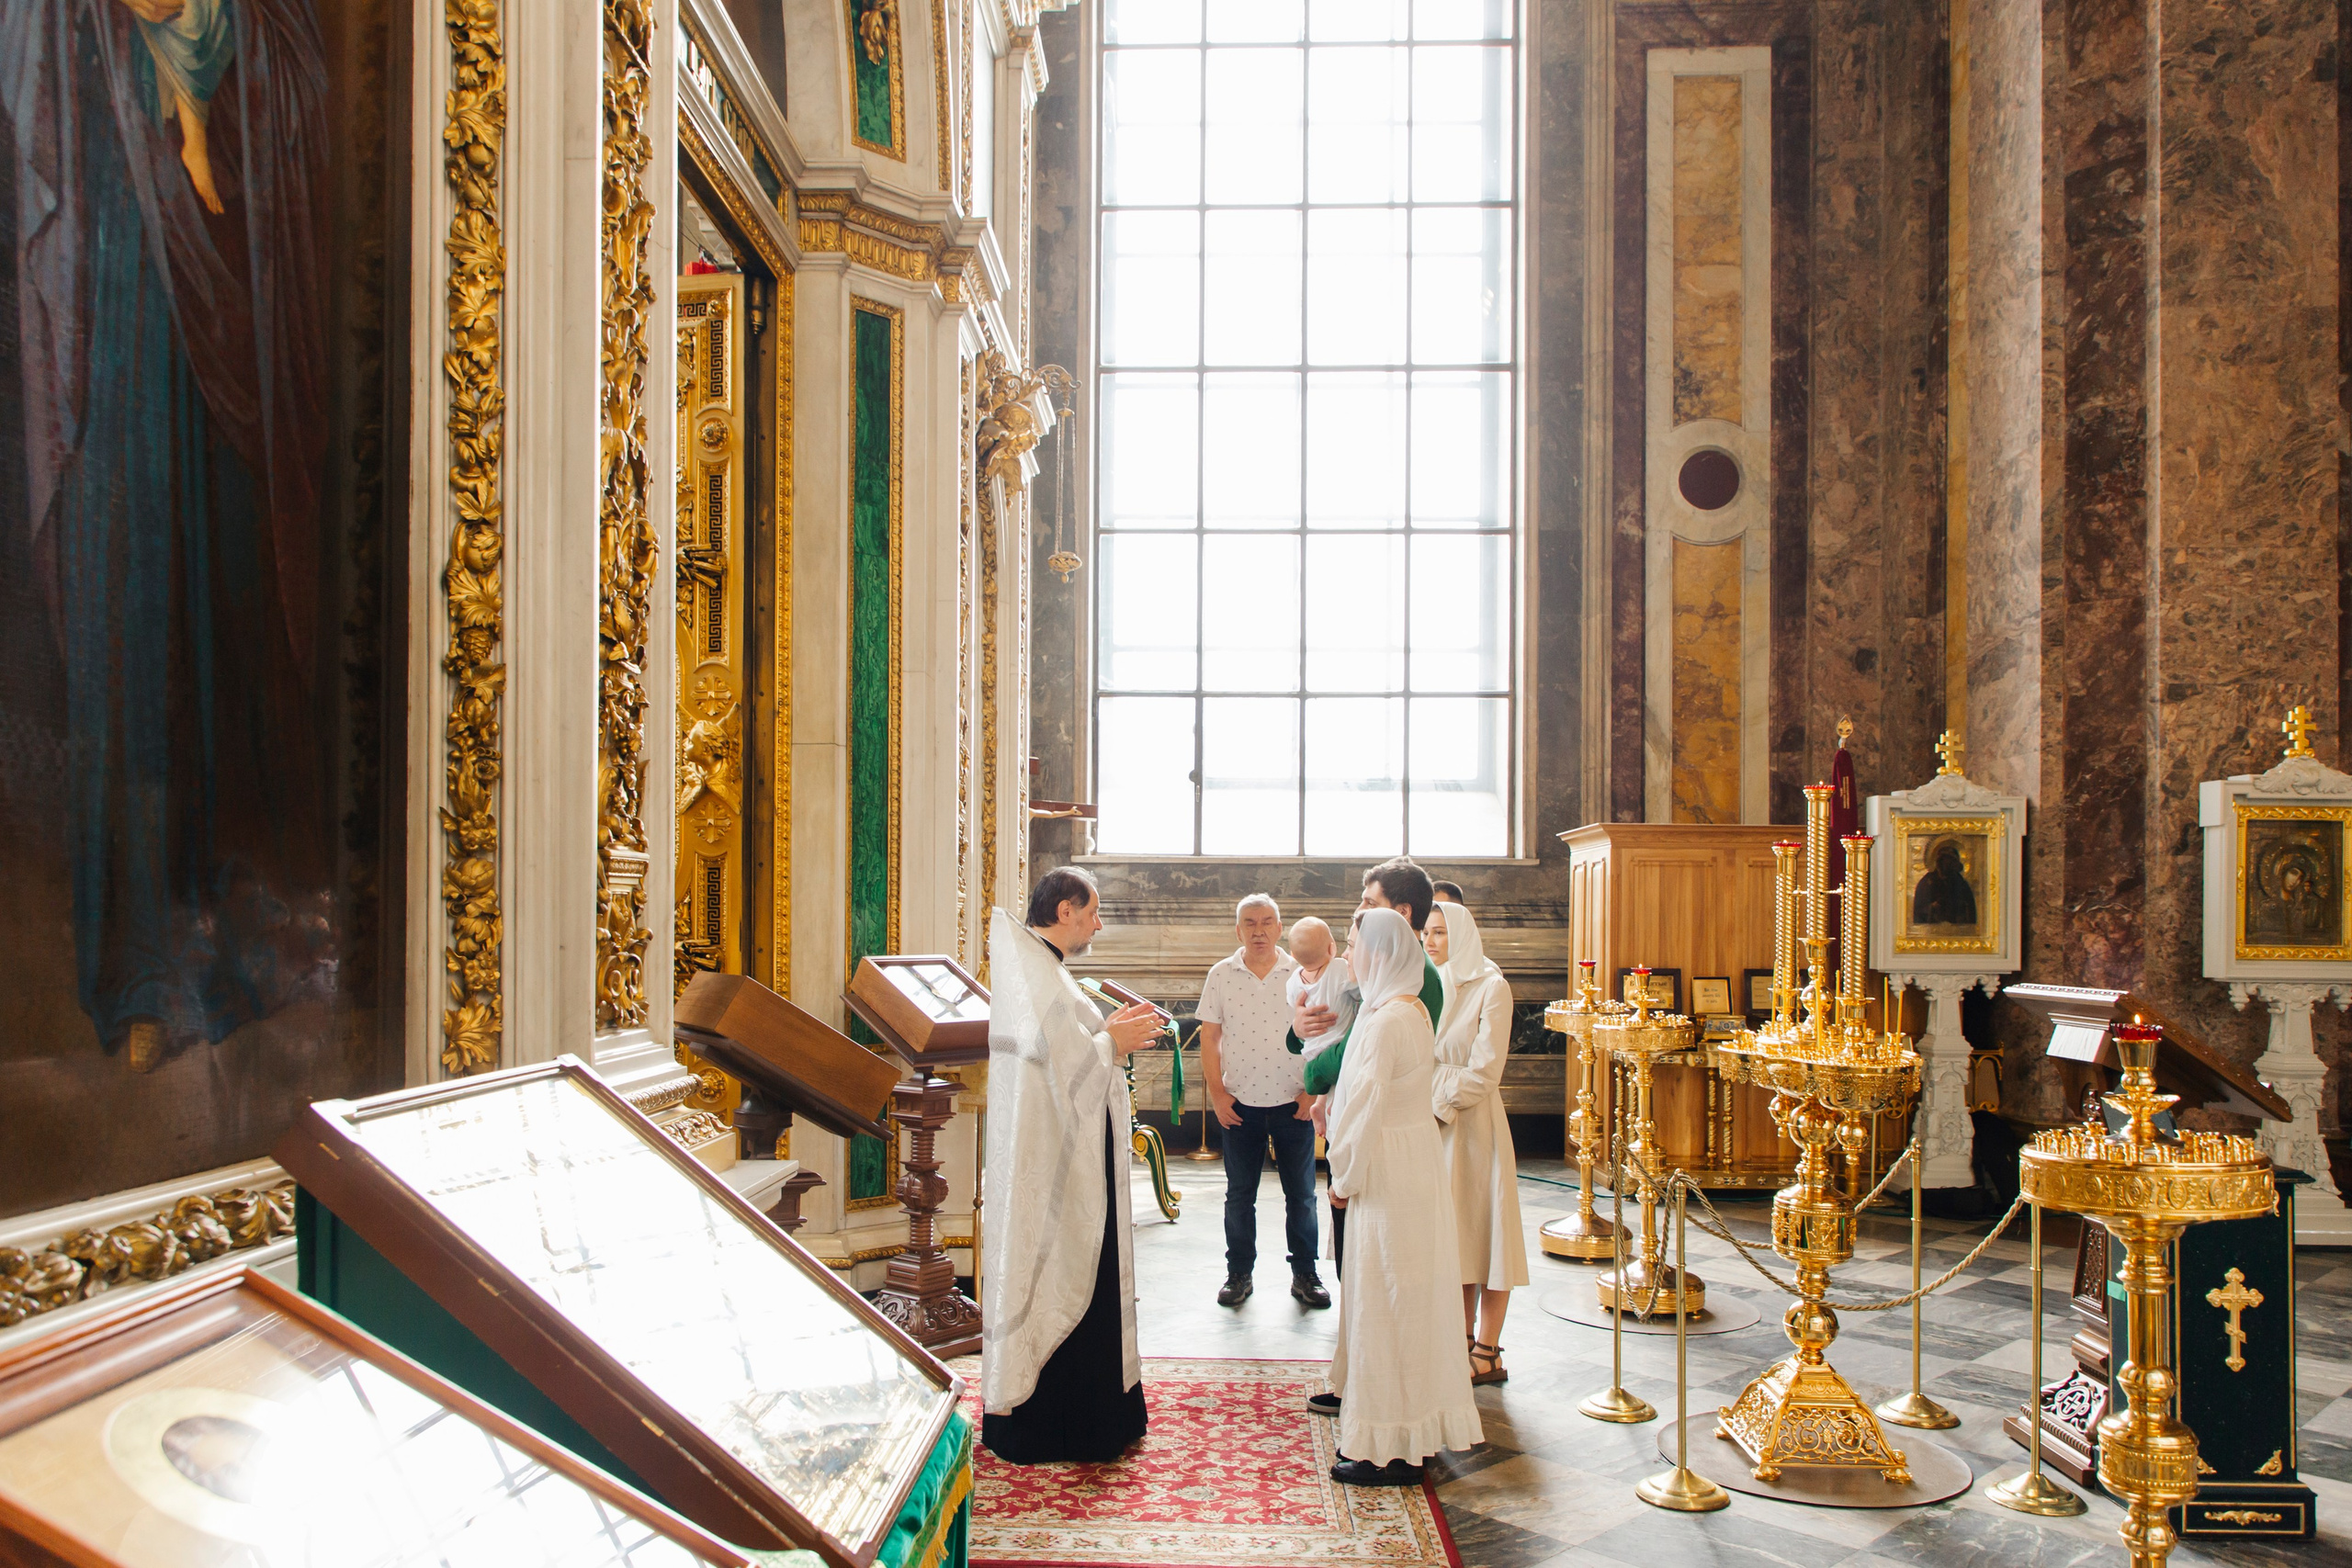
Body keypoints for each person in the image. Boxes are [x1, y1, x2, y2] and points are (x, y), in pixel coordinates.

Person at [980, 868, 1164, 1463]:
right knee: (1072, 1269)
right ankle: (1071, 1424)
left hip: (1070, 1150)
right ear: (1064, 909)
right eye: (1092, 912)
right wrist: (1113, 1040)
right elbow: (1068, 1070)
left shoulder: (1042, 968)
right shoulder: (1039, 974)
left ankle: (1095, 1416)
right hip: (1058, 1161)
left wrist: (1109, 1038)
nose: (1099, 923)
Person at [1321, 908, 1484, 1486]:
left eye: (1353, 946)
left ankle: (1385, 1448)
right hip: (1410, 1166)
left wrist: (1342, 1180)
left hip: (1386, 1171)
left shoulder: (1389, 1019)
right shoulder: (1409, 1007)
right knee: (1409, 1299)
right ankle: (1411, 1432)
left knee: (1385, 1303)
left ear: (1382, 954)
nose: (1347, 956)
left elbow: (1361, 1111)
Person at [1291, 858, 1446, 1275]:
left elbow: (1360, 1050)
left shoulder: (1417, 976)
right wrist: (1298, 1027)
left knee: (1372, 1263)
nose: (1358, 911)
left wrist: (1314, 1076)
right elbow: (1338, 1020)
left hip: (1377, 1144)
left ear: (1402, 913)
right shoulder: (1382, 964)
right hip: (1349, 1124)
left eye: (1368, 901)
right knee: (1351, 1256)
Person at [1196, 895, 1329, 1310]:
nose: (1258, 931)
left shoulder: (1301, 973)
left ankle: (1305, 1273)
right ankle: (1239, 1273)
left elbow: (1324, 1031)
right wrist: (1218, 1095)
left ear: (1279, 928)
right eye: (1250, 923)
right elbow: (1209, 1037)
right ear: (1238, 930)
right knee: (1239, 1196)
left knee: (1302, 1195)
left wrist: (1313, 1089)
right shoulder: (1222, 974)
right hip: (1241, 1104)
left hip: (1294, 1102)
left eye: (1267, 922)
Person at [1423, 900, 1528, 1385]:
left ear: (1461, 934)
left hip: (1473, 1123)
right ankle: (1460, 1341)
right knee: (1456, 1236)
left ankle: (1488, 1350)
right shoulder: (1428, 985)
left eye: (1440, 932)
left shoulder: (1493, 986)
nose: (1430, 940)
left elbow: (1485, 1071)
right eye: (1426, 931)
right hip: (1432, 1124)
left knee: (1488, 1235)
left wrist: (1435, 1100)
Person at [1285, 916, 1354, 1068]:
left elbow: (1293, 1006)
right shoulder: (1339, 968)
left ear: (1293, 955)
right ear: (1332, 948)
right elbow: (1362, 991)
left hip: (1311, 1051)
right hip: (1339, 1045)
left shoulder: (1293, 982)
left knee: (1323, 1091)